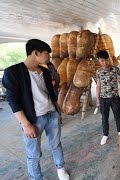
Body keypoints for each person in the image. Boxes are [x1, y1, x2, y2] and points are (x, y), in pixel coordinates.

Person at [2, 39, 69, 180]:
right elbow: (13, 101)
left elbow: (51, 92)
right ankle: (36, 178)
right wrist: (26, 125)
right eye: (47, 54)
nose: (49, 57)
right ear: (36, 53)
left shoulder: (44, 71)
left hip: (52, 115)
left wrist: (58, 111)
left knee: (56, 144)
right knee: (34, 153)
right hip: (33, 119)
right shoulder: (13, 72)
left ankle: (60, 168)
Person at [96, 50, 120, 145]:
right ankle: (105, 135)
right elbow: (98, 86)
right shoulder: (98, 71)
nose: (105, 63)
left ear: (109, 59)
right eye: (102, 61)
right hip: (103, 99)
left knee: (117, 115)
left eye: (106, 60)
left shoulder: (115, 70)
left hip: (115, 97)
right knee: (104, 118)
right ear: (99, 61)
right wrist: (98, 99)